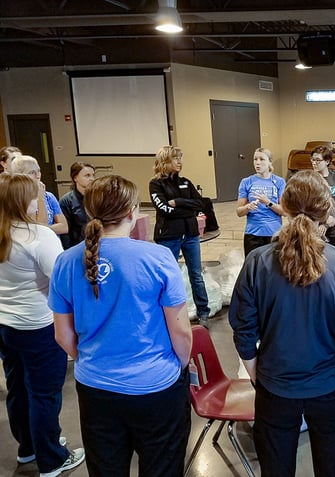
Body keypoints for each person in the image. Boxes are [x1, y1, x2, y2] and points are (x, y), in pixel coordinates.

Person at [229, 170, 335, 477]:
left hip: (274, 389)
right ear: (327, 212)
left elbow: (243, 331)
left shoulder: (257, 262)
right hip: (329, 389)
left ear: (284, 205)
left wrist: (257, 375)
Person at [49, 175, 192, 477]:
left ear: (90, 212)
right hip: (156, 386)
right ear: (132, 213)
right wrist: (179, 366)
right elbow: (180, 331)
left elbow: (62, 336)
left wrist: (91, 359)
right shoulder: (158, 257)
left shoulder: (65, 261)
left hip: (95, 387)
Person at [0, 173, 85, 477]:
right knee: (43, 393)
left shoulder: (4, 232)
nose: (41, 200)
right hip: (37, 327)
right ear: (26, 200)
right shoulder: (38, 236)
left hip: (6, 326)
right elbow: (62, 282)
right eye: (36, 194)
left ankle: (29, 448)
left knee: (18, 389)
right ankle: (52, 458)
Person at [150, 145, 210, 325]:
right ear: (164, 161)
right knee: (168, 276)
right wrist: (188, 209)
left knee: (196, 275)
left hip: (190, 235)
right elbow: (164, 210)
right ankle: (168, 314)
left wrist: (179, 202)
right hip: (169, 236)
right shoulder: (156, 184)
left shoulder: (185, 181)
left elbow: (200, 204)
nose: (179, 162)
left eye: (180, 158)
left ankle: (203, 312)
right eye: (175, 158)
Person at [236, 147, 286, 257]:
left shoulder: (279, 182)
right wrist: (247, 207)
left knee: (274, 269)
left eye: (262, 159)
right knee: (253, 269)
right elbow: (239, 212)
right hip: (253, 234)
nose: (257, 163)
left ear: (269, 162)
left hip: (274, 234)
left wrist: (268, 202)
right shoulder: (246, 182)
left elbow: (284, 211)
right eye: (255, 159)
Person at [11, 155, 68, 236]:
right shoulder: (16, 199)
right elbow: (37, 230)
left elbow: (64, 227)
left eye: (39, 171)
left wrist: (44, 228)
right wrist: (40, 198)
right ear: (19, 176)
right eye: (31, 172)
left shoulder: (49, 196)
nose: (38, 176)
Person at [311, 144, 335, 249]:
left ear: (327, 161)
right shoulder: (309, 179)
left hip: (334, 228)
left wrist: (332, 217)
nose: (314, 163)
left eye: (317, 160)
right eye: (312, 159)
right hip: (315, 229)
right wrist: (319, 223)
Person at [59, 162, 95, 248]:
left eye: (93, 175)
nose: (92, 179)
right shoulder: (66, 201)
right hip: (77, 247)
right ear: (75, 178)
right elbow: (65, 233)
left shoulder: (99, 197)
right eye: (87, 175)